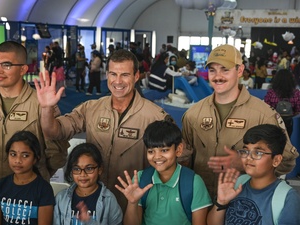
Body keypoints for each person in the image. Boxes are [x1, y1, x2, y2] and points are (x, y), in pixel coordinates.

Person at [34, 49, 172, 211]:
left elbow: (175, 161)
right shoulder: (91, 108)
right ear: (107, 75)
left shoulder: (155, 116)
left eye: (125, 75)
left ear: (136, 76)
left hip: (133, 205)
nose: (118, 81)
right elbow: (54, 131)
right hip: (94, 206)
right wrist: (46, 108)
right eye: (113, 74)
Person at [181, 44, 298, 199]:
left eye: (225, 69)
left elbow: (287, 161)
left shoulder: (263, 115)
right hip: (201, 206)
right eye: (212, 70)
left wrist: (245, 163)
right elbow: (183, 161)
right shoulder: (193, 114)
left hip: (244, 207)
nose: (218, 76)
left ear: (240, 70)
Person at [0, 41, 69, 194]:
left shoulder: (42, 104)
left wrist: (37, 177)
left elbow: (56, 155)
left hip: (30, 194)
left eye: (7, 65)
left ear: (23, 69)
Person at [116, 120, 212, 225]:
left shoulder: (193, 182)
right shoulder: (140, 179)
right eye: (151, 151)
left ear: (178, 150)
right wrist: (132, 203)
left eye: (164, 150)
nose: (157, 157)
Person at [207, 124, 300, 225]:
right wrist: (221, 202)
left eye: (258, 153)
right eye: (246, 151)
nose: (249, 158)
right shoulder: (237, 183)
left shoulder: (288, 198)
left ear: (276, 160)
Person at [0, 131, 54, 225]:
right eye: (13, 154)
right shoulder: (1, 185)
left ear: (36, 158)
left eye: (25, 155)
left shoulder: (43, 189)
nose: (18, 161)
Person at [53, 143, 122, 225]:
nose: (82, 174)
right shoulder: (61, 198)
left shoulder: (109, 200)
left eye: (89, 168)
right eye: (77, 169)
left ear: (100, 169)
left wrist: (90, 222)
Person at [264, 69, 300, 137]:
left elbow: (266, 106)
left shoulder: (271, 92)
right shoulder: (296, 92)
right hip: (290, 122)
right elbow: (298, 109)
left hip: (274, 121)